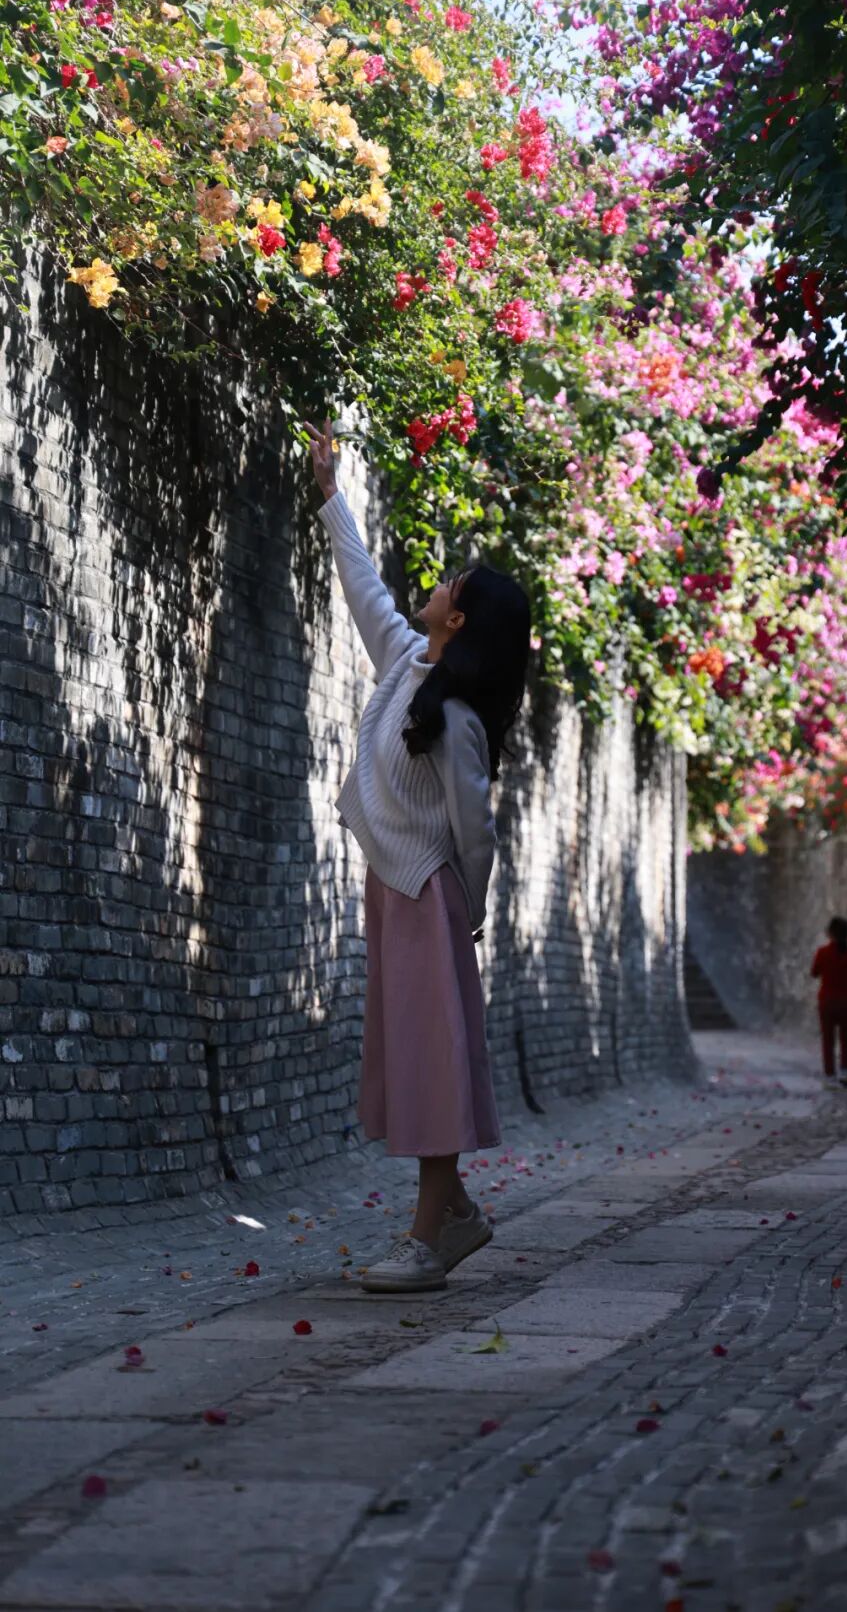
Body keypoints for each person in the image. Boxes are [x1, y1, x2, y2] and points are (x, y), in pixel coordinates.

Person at [304, 416, 532, 1293]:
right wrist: (332, 494)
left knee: (431, 1067)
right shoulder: (406, 663)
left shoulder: (458, 721)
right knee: (413, 1060)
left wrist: (466, 912)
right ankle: (458, 1215)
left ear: (459, 617)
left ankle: (425, 1243)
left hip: (429, 897)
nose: (432, 588)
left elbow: (478, 831)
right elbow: (363, 585)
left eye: (448, 586)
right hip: (393, 891)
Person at [811, 917, 847, 1090]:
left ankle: (830, 1075)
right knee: (845, 1038)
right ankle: (845, 1072)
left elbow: (814, 973)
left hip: (826, 1000)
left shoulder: (822, 952)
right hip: (845, 1000)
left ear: (830, 933)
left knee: (828, 1039)